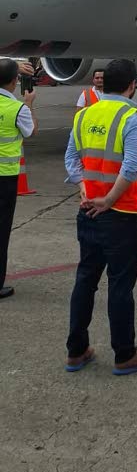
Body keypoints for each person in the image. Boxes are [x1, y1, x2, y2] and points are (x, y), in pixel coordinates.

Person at [64, 58, 137, 376]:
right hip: (122, 212)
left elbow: (71, 159)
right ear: (132, 85)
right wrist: (109, 199)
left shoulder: (86, 114)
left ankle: (76, 351)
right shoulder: (132, 116)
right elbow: (130, 167)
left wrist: (85, 190)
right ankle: (124, 354)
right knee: (120, 285)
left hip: (88, 211)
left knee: (85, 279)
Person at [0, 59, 37, 299]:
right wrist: (29, 104)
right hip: (5, 179)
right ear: (15, 81)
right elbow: (30, 131)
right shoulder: (17, 108)